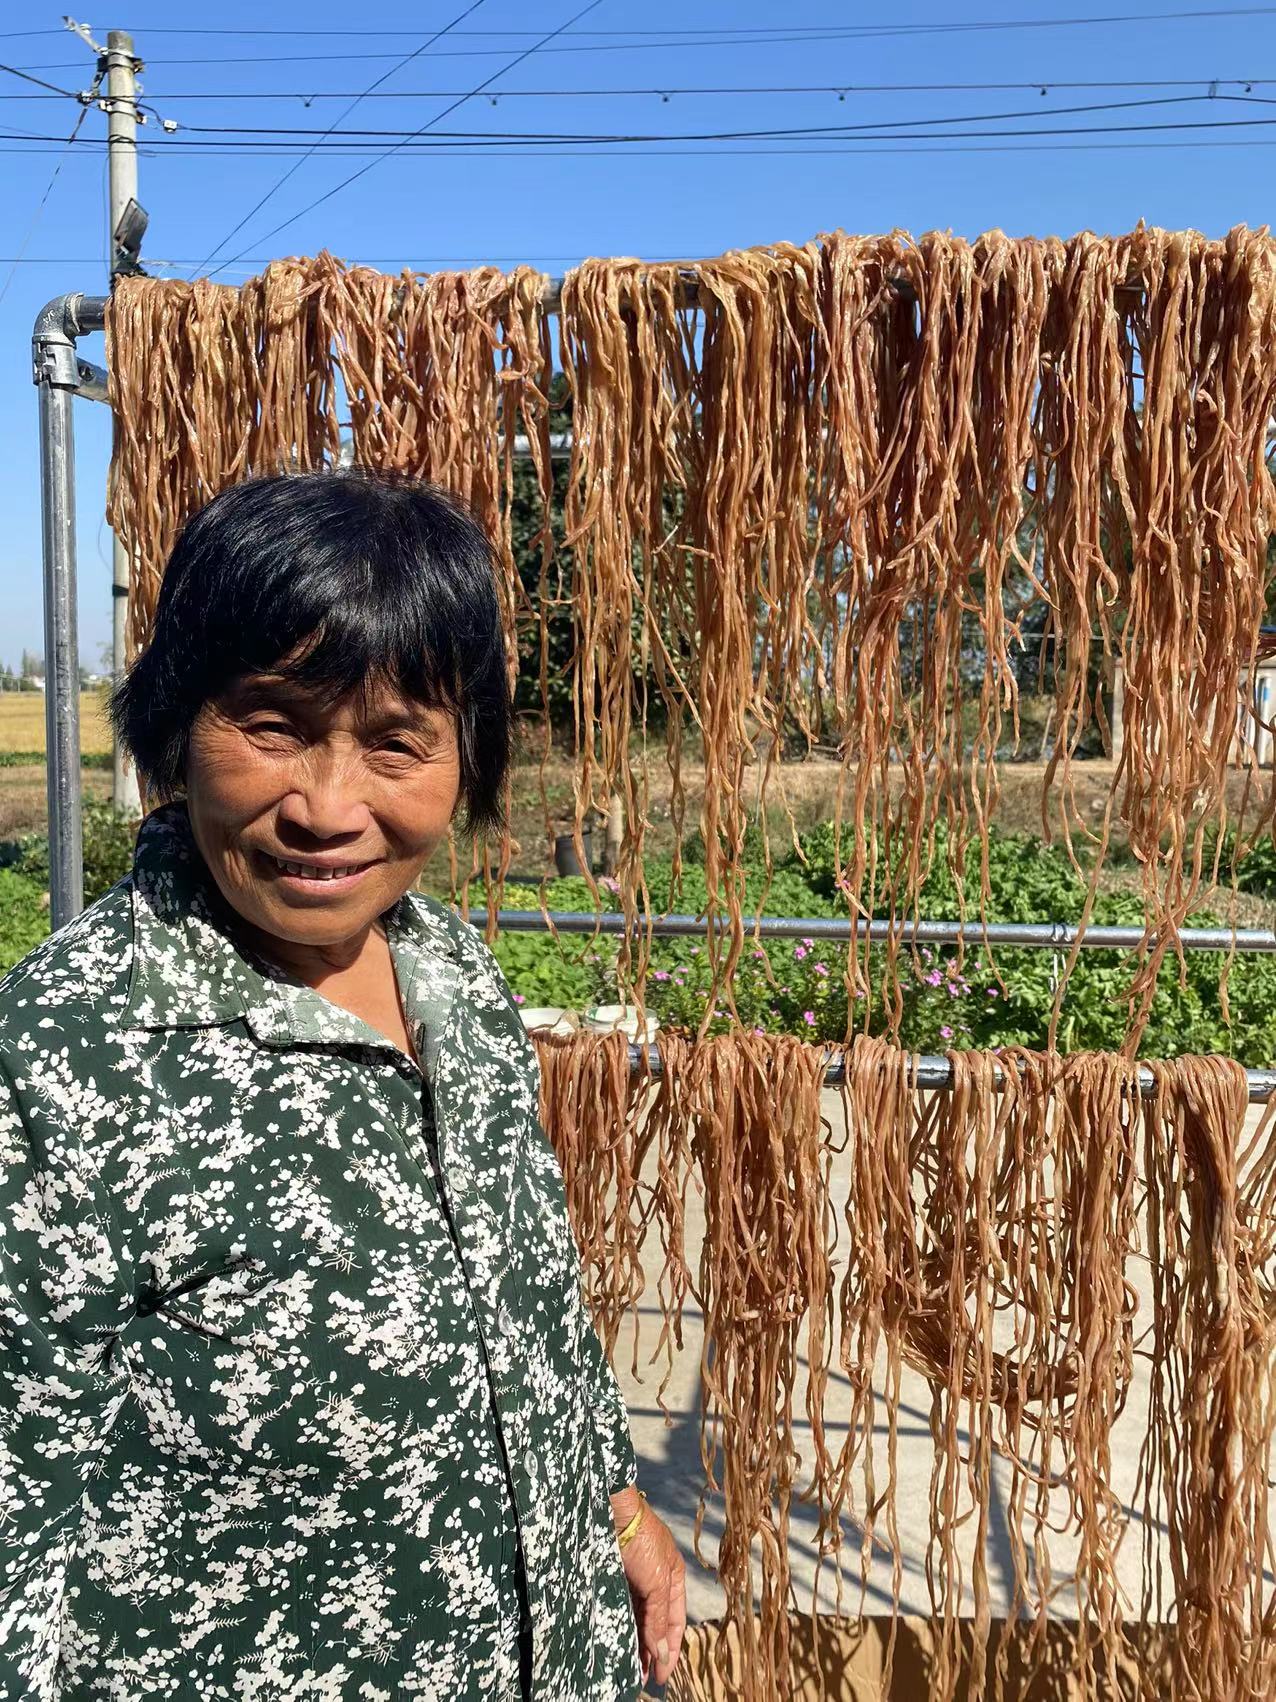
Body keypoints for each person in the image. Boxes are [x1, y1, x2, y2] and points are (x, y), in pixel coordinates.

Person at [0, 470, 686, 1701]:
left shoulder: (445, 967)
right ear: (175, 720)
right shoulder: (64, 1053)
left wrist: (620, 1508)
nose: (326, 809)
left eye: (393, 742)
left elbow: (528, 1283)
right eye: (269, 724)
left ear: (462, 751)